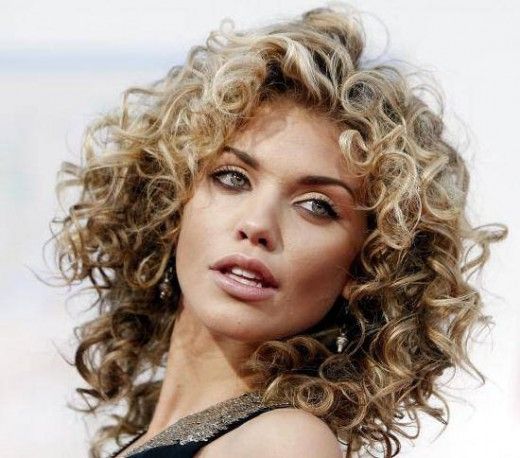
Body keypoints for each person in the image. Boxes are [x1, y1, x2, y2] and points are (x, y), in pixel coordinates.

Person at [48, 4, 507, 458]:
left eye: (317, 206)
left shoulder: (284, 442)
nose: (257, 225)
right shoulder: (165, 441)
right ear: (171, 201)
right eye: (232, 178)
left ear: (368, 267)